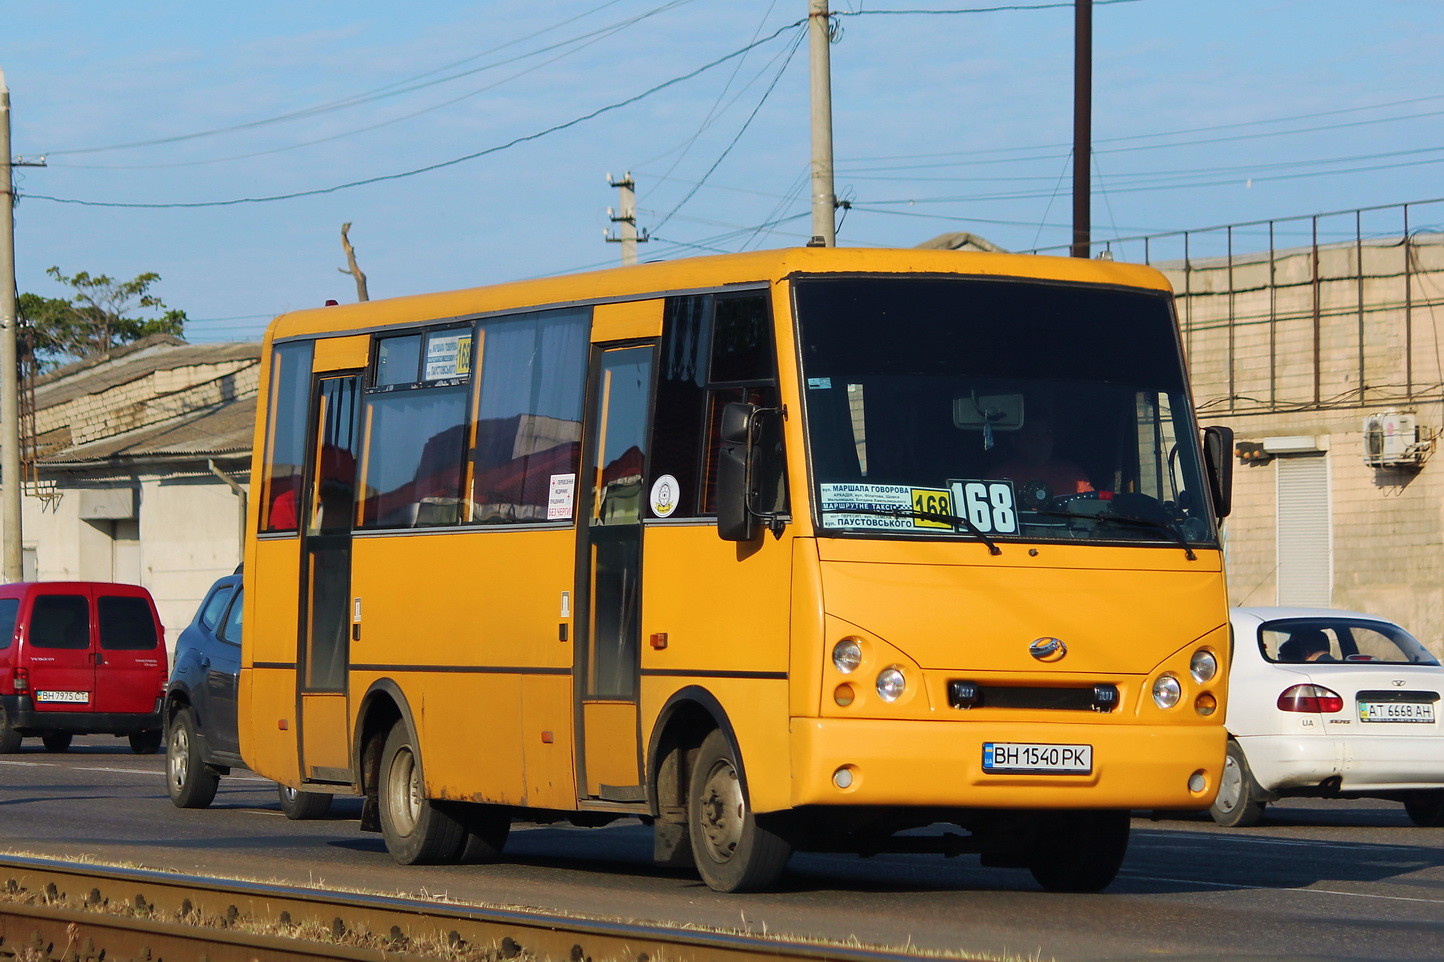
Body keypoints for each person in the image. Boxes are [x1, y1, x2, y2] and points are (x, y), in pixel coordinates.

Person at [991, 417, 1093, 497]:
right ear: (1016, 441)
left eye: (1046, 434)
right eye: (1033, 435)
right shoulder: (1001, 477)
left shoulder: (1073, 474)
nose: (1042, 441)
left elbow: (1090, 508)